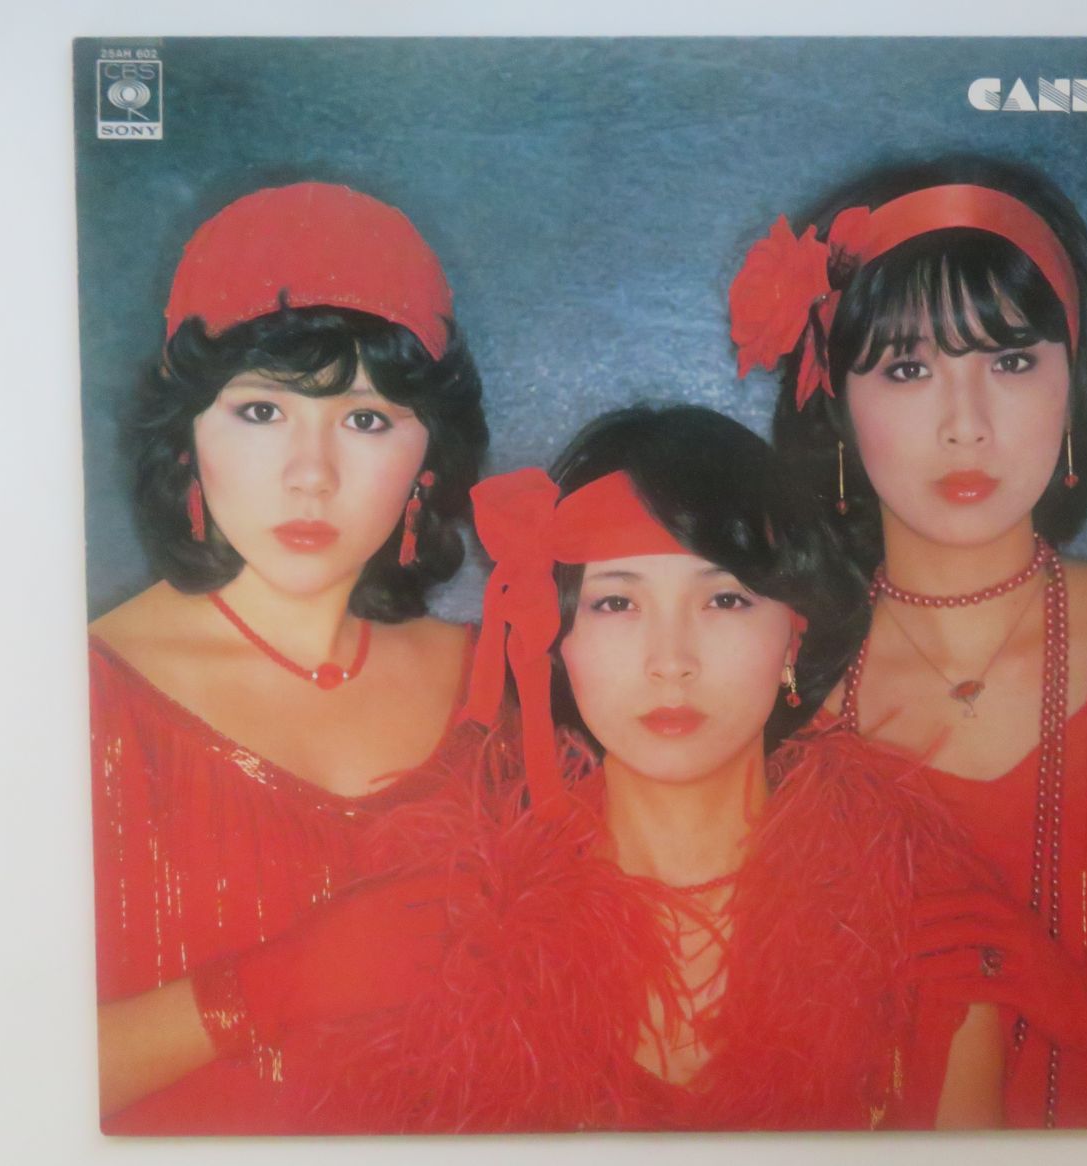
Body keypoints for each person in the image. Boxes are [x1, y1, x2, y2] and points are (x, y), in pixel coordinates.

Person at [292, 406, 1005, 1132]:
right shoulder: (449, 938)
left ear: (795, 634)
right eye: (616, 602)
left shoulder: (919, 931)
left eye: (724, 599)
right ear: (554, 638)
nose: (671, 661)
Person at [729, 155, 1087, 1127]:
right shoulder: (766, 692)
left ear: (1073, 381)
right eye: (906, 369)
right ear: (834, 404)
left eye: (1010, 361)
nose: (965, 426)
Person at [86, 181, 489, 1133]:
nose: (313, 473)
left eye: (366, 419)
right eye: (262, 411)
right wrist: (272, 988)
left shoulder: (496, 683)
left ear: (427, 463)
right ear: (185, 440)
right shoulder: (77, 698)